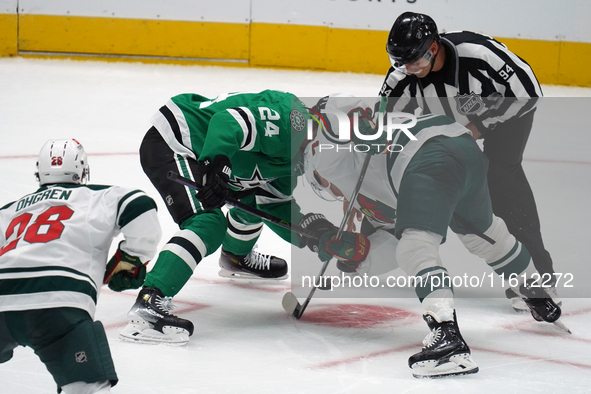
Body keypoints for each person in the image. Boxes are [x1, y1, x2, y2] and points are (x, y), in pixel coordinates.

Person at [303, 95, 564, 378]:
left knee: (416, 247)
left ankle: (447, 340)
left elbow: (335, 112)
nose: (335, 193)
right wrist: (359, 255)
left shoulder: (325, 158)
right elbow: (393, 236)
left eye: (327, 188)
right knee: (485, 234)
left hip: (427, 153)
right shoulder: (369, 196)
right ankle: (537, 293)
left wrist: (359, 126)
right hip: (464, 150)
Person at [120, 90, 363, 345]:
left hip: (211, 153)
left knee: (250, 196)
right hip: (180, 142)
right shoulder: (291, 120)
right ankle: (148, 305)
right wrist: (216, 167)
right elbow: (227, 123)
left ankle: (236, 257)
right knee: (208, 223)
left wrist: (319, 235)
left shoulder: (299, 159)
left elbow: (272, 206)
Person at [379, 12, 556, 311]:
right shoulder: (401, 80)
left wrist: (479, 127)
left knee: (501, 178)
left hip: (507, 114)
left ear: (433, 49)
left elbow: (528, 92)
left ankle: (539, 275)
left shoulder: (479, 57)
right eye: (400, 62)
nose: (407, 69)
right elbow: (385, 128)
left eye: (414, 61)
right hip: (454, 124)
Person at [0, 139, 161, 393]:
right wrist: (132, 258)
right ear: (83, 170)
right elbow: (140, 207)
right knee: (89, 387)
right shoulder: (98, 196)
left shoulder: (8, 210)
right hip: (57, 302)